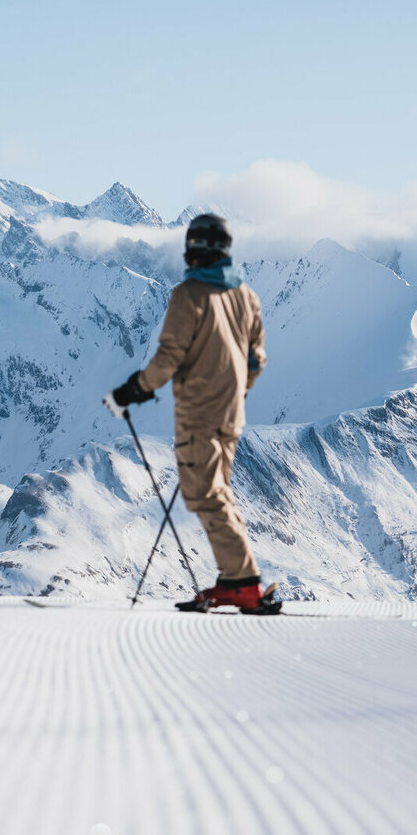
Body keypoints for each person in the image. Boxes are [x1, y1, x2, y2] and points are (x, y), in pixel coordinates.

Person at [103, 214, 269, 611]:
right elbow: (255, 360)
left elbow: (169, 357)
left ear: (197, 249)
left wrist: (133, 390)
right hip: (231, 414)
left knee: (205, 495)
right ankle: (234, 580)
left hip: (199, 414)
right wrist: (234, 393)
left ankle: (244, 584)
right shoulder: (246, 295)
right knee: (218, 493)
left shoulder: (189, 294)